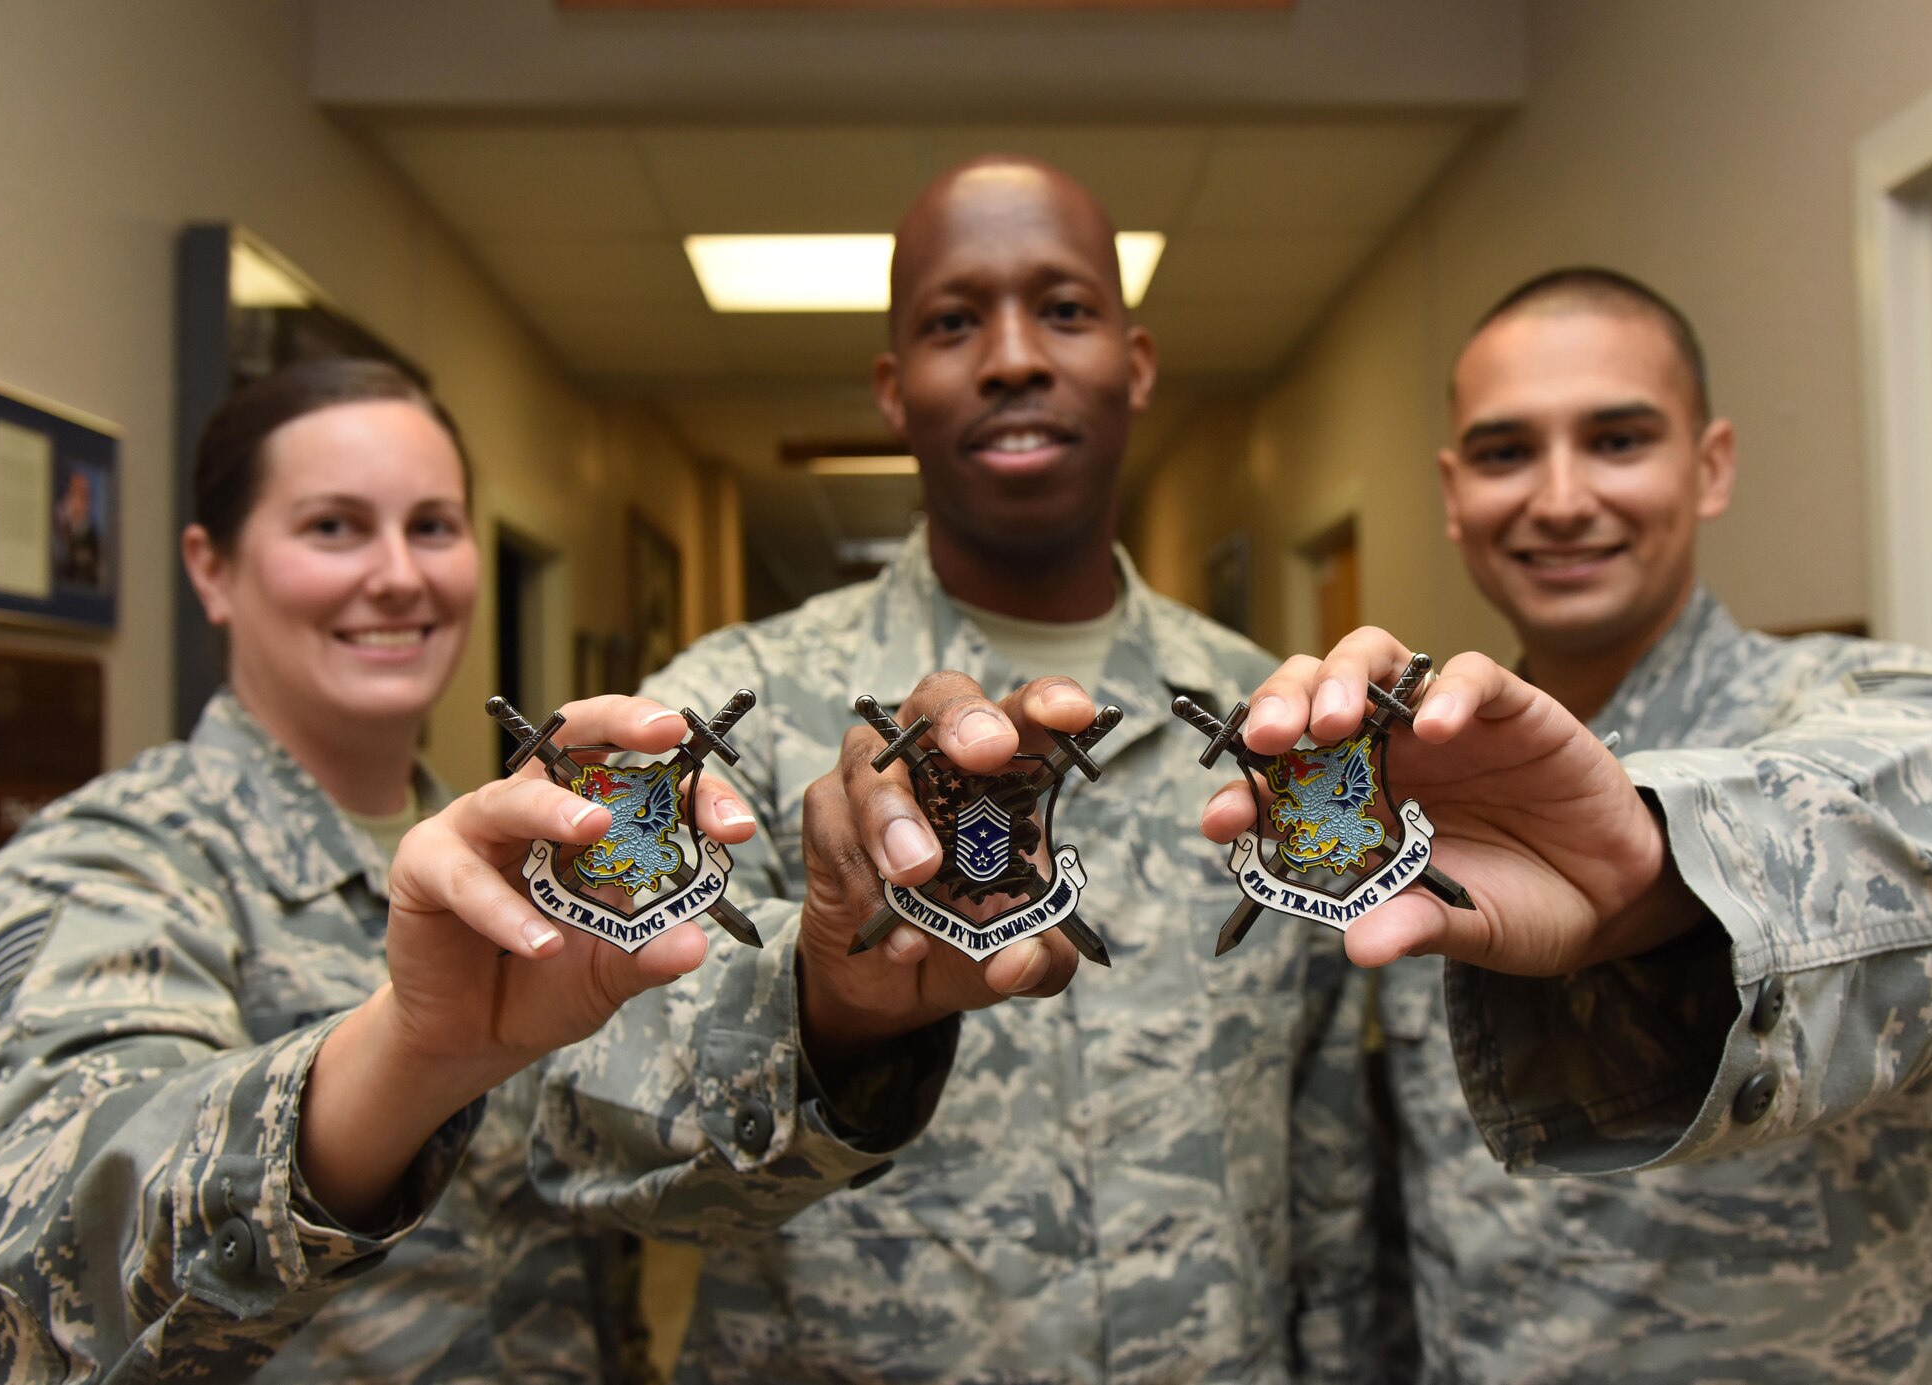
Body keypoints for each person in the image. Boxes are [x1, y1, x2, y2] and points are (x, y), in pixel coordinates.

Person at [523, 158, 1372, 1382]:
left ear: (1135, 364)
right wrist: (823, 1013)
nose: (1013, 356)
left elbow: (1329, 1157)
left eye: (1064, 310)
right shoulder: (724, 715)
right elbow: (579, 1134)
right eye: (951, 321)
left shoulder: (1272, 722)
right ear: (891, 388)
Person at [1204, 268, 1932, 1382]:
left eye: (1615, 439)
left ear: (1707, 465)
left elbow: (1913, 814)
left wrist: (1656, 872)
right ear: (1453, 493)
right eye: (1506, 453)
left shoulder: (1871, 703)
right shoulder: (1401, 798)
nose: (1558, 498)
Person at [0, 359, 754, 1382]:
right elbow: (28, 1256)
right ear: (211, 567)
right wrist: (408, 1055)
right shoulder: (107, 861)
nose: (398, 574)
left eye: (432, 525)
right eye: (332, 526)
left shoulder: (536, 857)